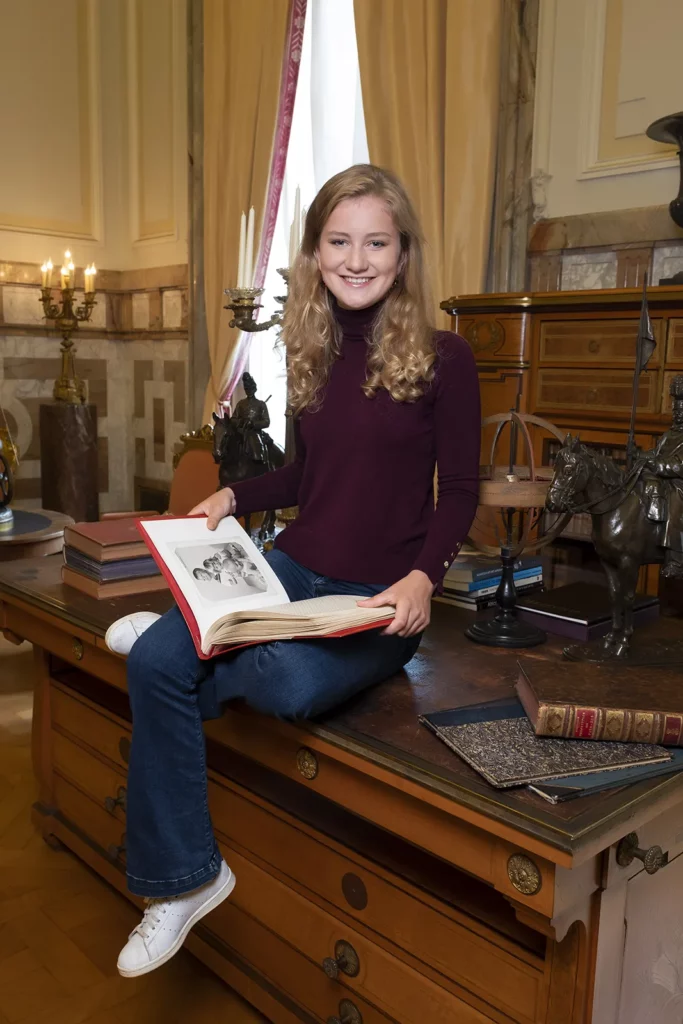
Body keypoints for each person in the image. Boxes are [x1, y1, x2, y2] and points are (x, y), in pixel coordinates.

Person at [109, 164, 481, 979]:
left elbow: (459, 492)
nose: (356, 259)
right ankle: (185, 881)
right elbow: (302, 482)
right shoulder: (308, 351)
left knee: (279, 683)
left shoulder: (445, 358)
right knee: (153, 662)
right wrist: (233, 494)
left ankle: (195, 641)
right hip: (290, 568)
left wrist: (424, 579)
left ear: (403, 251)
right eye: (338, 241)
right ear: (315, 252)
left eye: (374, 242)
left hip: (377, 600)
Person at [644, 374, 683, 576]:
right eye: (676, 410)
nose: (678, 414)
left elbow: (679, 466)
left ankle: (676, 559)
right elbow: (657, 453)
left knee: (676, 501)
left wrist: (657, 464)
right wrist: (642, 456)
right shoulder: (670, 434)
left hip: (679, 483)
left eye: (682, 410)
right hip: (660, 476)